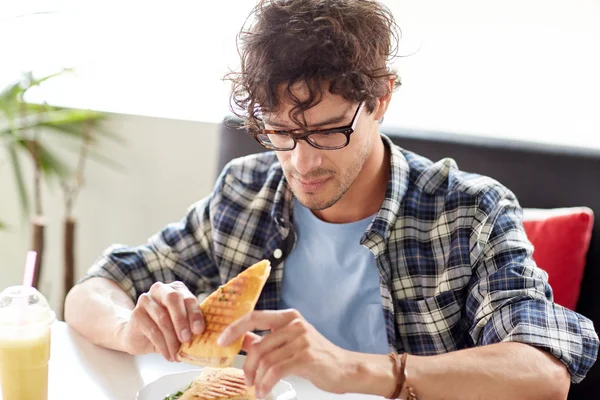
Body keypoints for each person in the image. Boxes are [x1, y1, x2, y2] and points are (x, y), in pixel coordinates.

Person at [65, 0, 598, 399]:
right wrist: (130, 327)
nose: (302, 163)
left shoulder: (469, 213)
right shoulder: (245, 191)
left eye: (326, 131)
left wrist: (351, 369)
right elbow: (96, 289)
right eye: (279, 133)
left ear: (381, 98)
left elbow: (543, 372)